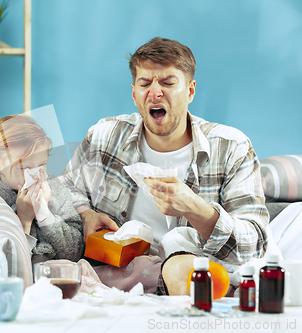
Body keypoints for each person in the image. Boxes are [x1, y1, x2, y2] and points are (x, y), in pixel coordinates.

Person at [62, 37, 269, 295]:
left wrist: (198, 210)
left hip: (196, 285)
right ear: (134, 93)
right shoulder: (103, 136)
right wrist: (87, 214)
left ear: (191, 90)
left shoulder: (232, 147)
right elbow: (63, 190)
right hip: (119, 284)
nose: (155, 92)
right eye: (145, 83)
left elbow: (256, 243)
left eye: (168, 83)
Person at [0, 114, 84, 263]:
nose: (36, 176)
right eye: (24, 168)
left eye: (42, 165)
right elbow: (5, 263)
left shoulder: (55, 187)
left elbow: (76, 252)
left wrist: (45, 216)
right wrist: (24, 220)